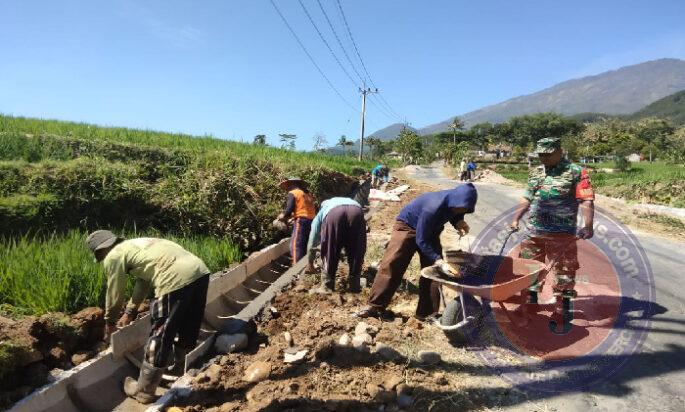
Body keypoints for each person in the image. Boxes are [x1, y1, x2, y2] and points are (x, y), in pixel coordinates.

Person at [85, 231, 210, 404]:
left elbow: (115, 291)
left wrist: (110, 322)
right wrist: (130, 311)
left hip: (173, 278)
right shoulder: (137, 245)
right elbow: (143, 282)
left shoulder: (113, 256)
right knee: (189, 323)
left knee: (160, 333)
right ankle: (179, 368)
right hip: (200, 271)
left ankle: (144, 391)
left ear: (100, 251)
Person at [356, 183, 478, 319]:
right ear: (454, 200)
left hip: (430, 231)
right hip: (407, 227)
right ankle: (375, 307)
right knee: (393, 264)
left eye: (464, 209)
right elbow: (421, 239)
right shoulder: (433, 207)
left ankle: (426, 314)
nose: (460, 210)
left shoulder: (455, 203)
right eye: (459, 208)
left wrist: (458, 222)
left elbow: (453, 213)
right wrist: (438, 260)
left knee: (434, 273)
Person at [510, 137, 594, 321]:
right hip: (534, 231)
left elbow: (587, 199)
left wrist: (588, 226)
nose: (544, 158)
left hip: (562, 233)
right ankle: (530, 302)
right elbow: (527, 197)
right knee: (528, 267)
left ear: (559, 151)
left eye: (548, 154)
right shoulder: (537, 172)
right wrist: (515, 218)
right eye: (540, 154)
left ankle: (562, 309)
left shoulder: (576, 172)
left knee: (564, 270)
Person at [305, 197, 367, 294]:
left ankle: (327, 286)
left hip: (334, 214)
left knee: (330, 248)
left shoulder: (324, 210)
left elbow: (313, 237)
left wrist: (310, 261)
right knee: (356, 248)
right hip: (357, 212)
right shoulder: (349, 202)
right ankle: (355, 284)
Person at [276, 177, 316, 265]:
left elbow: (289, 210)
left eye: (286, 186)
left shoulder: (293, 192)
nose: (286, 188)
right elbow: (305, 209)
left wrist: (282, 216)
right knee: (305, 244)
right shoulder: (307, 194)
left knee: (295, 246)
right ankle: (306, 266)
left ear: (292, 184)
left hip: (302, 221)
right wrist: (293, 217)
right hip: (312, 221)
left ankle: (296, 270)